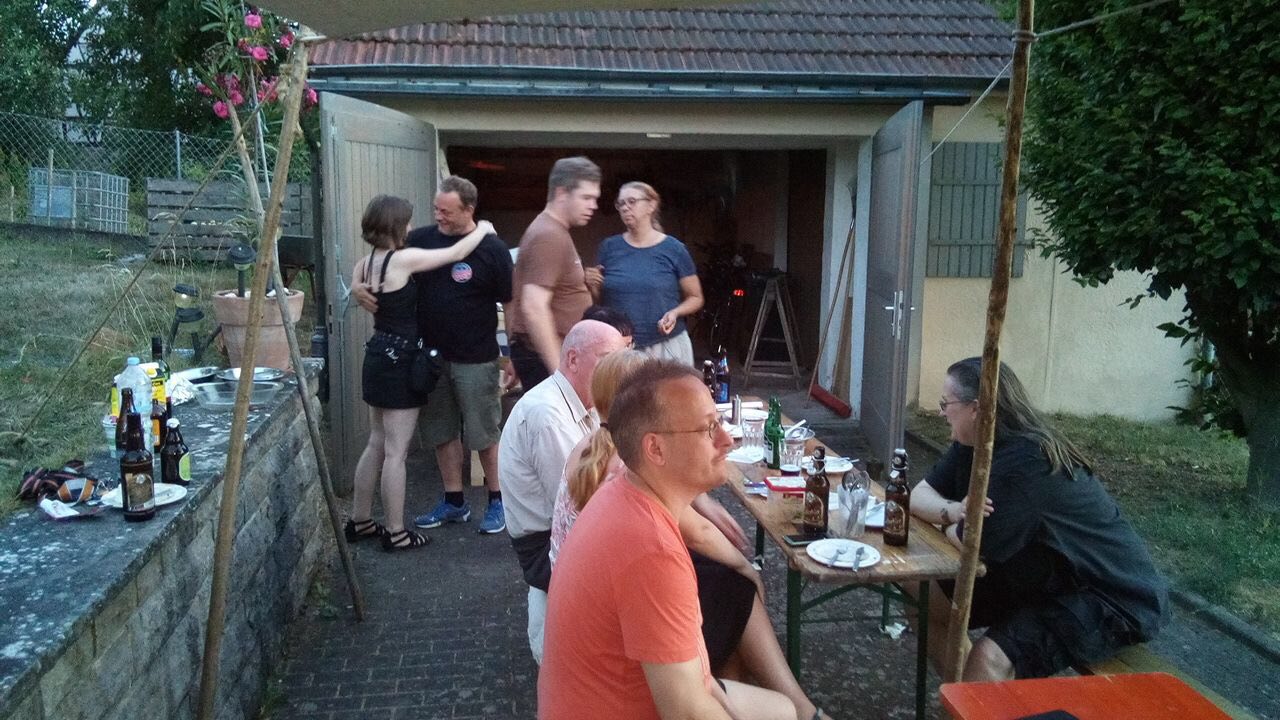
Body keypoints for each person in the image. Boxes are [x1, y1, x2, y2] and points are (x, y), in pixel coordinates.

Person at [548, 353, 826, 720]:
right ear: (655, 449)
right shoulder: (652, 551)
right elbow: (687, 712)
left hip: (606, 696)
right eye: (708, 428)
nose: (726, 440)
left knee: (784, 709)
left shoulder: (626, 490)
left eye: (719, 422)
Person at [910, 357, 1170, 681]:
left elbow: (971, 542)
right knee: (920, 591)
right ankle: (967, 697)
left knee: (989, 658)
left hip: (1108, 596)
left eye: (945, 403)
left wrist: (954, 525)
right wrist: (954, 511)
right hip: (1042, 576)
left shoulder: (1027, 461)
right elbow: (917, 497)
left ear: (975, 408)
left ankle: (976, 697)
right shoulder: (973, 442)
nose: (941, 412)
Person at [354, 176, 514, 535]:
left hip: (476, 356)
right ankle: (454, 502)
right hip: (428, 359)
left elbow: (510, 301)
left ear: (468, 209)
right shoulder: (419, 241)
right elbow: (375, 258)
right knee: (441, 432)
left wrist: (512, 351)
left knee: (484, 434)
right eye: (435, 209)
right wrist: (354, 284)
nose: (437, 216)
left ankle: (497, 501)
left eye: (446, 211)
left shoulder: (494, 250)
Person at [498, 319, 628, 663]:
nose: (615, 371)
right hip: (544, 548)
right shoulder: (548, 416)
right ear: (572, 359)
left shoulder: (582, 402)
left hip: (559, 535)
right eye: (608, 359)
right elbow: (583, 503)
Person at [507, 156, 601, 389]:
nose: (594, 205)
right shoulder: (549, 235)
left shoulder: (552, 230)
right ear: (561, 193)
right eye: (586, 197)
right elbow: (534, 307)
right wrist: (561, 376)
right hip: (546, 361)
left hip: (542, 356)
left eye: (595, 198)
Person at [588, 181, 703, 365]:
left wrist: (675, 313)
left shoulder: (674, 249)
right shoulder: (609, 248)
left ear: (651, 205)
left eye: (632, 201)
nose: (625, 207)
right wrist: (593, 287)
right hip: (619, 348)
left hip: (664, 346)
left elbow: (696, 297)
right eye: (621, 203)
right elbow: (600, 303)